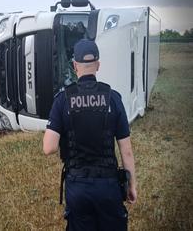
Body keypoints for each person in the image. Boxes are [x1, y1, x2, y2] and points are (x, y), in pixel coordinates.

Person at [43, 39, 137, 231]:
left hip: (77, 187)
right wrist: (131, 186)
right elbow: (126, 151)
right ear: (98, 65)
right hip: (108, 186)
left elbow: (49, 148)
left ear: (75, 65)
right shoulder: (113, 98)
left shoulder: (62, 100)